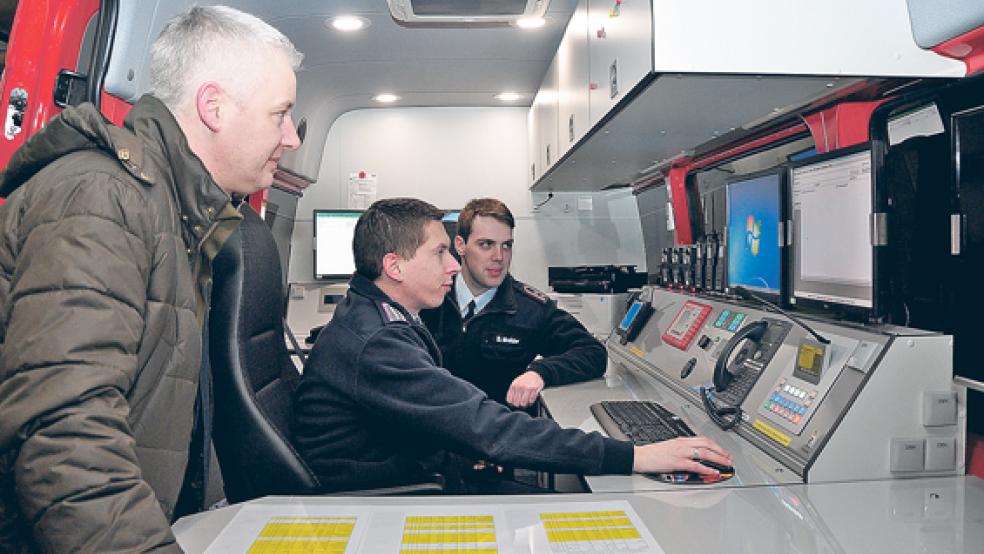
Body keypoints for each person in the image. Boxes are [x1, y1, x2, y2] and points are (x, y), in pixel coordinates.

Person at [0, 6, 302, 551]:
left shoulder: (176, 214)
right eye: (280, 114)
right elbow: (66, 438)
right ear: (214, 108)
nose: (291, 139)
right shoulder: (101, 198)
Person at [293, 198, 731, 494]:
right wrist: (634, 455)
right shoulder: (379, 339)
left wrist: (468, 447)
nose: (453, 265)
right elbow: (482, 424)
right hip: (389, 493)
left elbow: (446, 420)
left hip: (428, 462)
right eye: (441, 253)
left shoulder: (374, 315)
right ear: (394, 266)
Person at [422, 198, 604, 409]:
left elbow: (593, 352)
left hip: (495, 435)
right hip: (432, 432)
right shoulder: (429, 299)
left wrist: (541, 372)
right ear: (461, 245)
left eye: (506, 245)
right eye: (486, 244)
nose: (499, 257)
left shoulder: (530, 309)